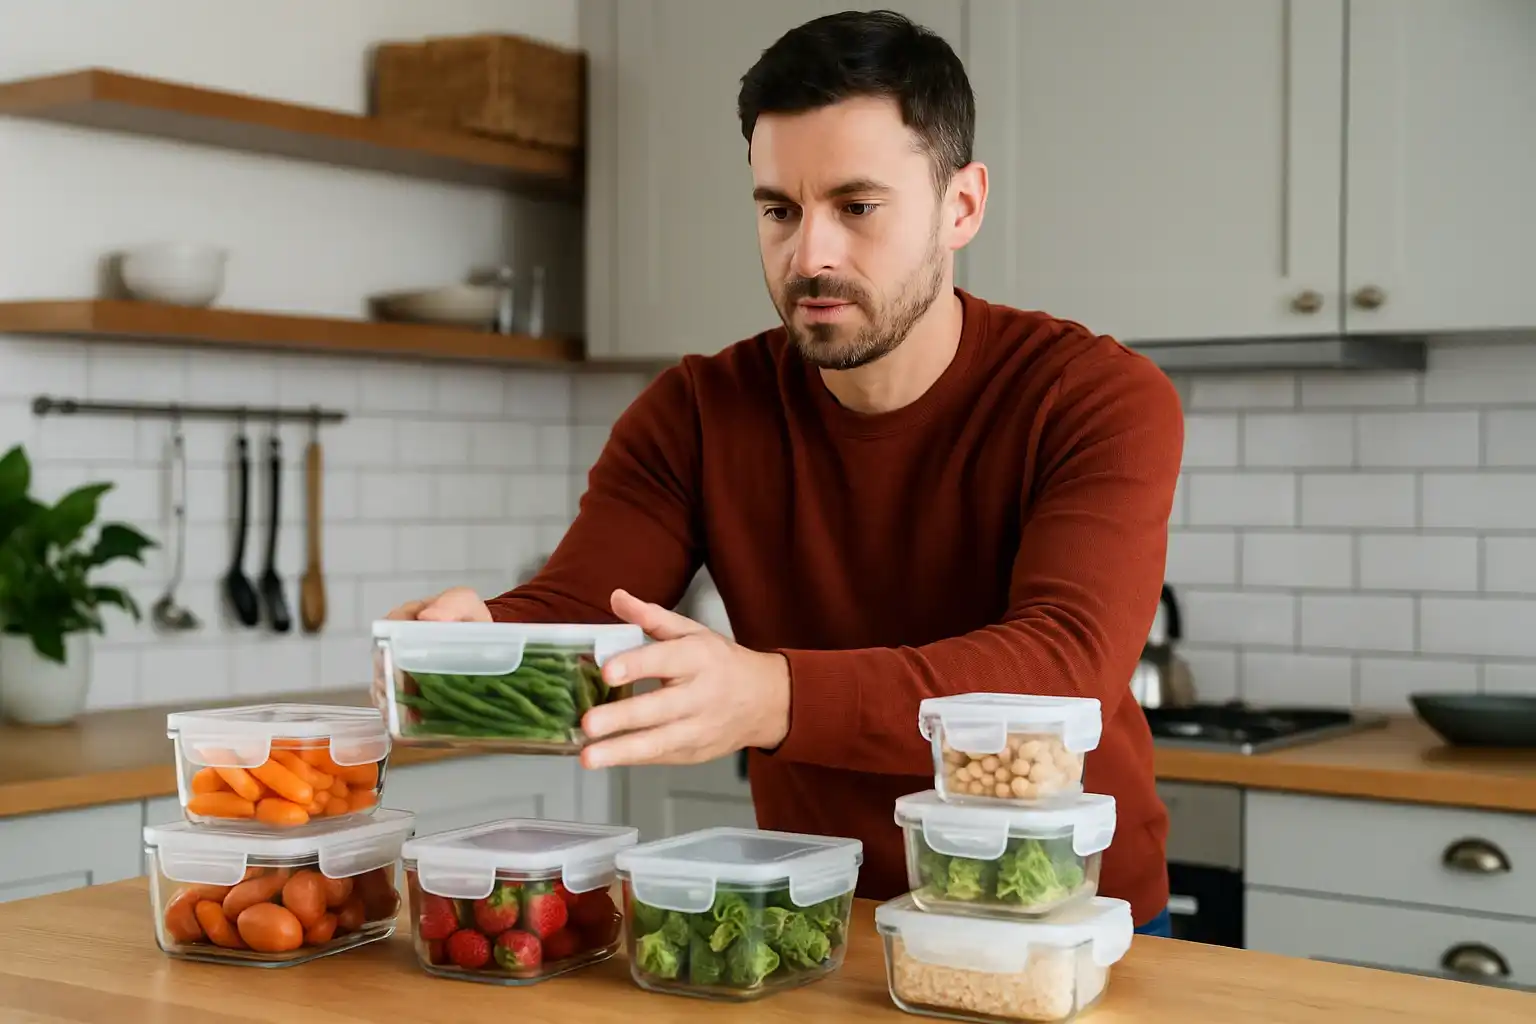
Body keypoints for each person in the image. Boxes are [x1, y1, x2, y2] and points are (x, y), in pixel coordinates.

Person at [383, 10, 1183, 937]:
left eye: (858, 207)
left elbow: (1060, 669)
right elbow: (585, 609)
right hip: (816, 922)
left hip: (1066, 923)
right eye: (779, 210)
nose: (811, 256)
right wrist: (484, 636)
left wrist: (774, 697)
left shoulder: (1095, 397)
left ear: (961, 206)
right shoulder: (698, 410)